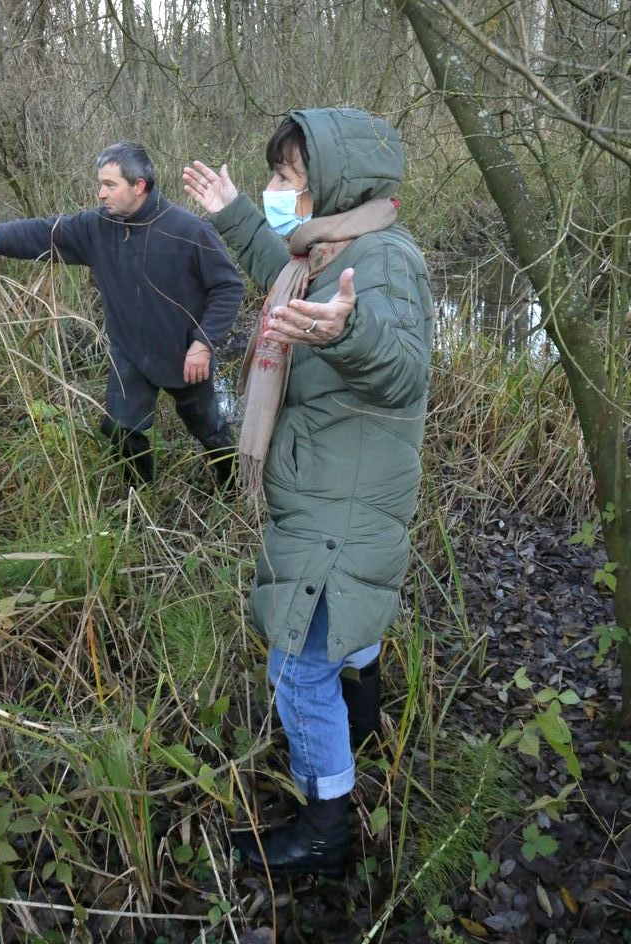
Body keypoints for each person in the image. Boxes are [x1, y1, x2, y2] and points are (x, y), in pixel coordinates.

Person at [183, 108, 433, 877]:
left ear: (331, 183)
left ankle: (326, 828)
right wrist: (231, 211)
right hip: (330, 484)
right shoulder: (330, 247)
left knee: (294, 662)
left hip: (344, 497)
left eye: (288, 178)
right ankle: (363, 725)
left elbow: (403, 368)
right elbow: (282, 272)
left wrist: (343, 336)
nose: (276, 191)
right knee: (338, 623)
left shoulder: (387, 262)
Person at [0, 142, 244, 488]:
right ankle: (140, 499)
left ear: (139, 186)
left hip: (185, 354)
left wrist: (203, 344)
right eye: (100, 184)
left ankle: (233, 489)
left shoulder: (189, 230)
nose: (101, 194)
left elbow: (228, 286)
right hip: (130, 353)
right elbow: (45, 232)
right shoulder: (98, 227)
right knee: (120, 429)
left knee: (210, 430)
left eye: (110, 185)